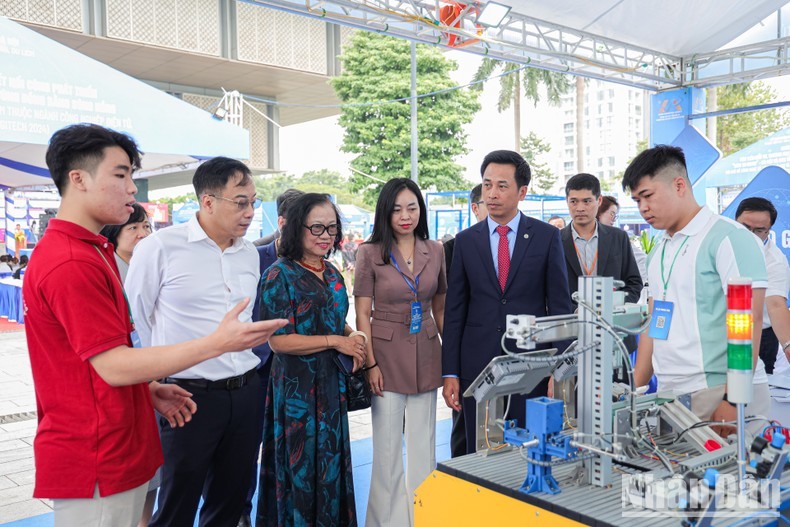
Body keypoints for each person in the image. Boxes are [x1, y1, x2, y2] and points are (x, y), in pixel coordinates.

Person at [23, 123, 285, 527]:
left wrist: (146, 389)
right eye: (121, 174)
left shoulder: (92, 252)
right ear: (78, 179)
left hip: (131, 430)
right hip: (100, 450)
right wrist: (216, 344)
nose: (133, 188)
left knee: (232, 499)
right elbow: (120, 355)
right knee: (175, 506)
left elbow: (105, 350)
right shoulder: (75, 260)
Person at [126, 157, 285, 527]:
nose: (250, 212)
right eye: (240, 202)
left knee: (230, 503)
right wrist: (157, 376)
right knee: (177, 504)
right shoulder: (161, 248)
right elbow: (136, 320)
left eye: (253, 201)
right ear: (208, 201)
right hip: (187, 398)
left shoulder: (248, 253)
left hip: (246, 392)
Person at [623, 145, 769, 435]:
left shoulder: (730, 238)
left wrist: (733, 398)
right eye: (637, 200)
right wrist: (635, 393)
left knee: (728, 479)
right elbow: (656, 323)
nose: (643, 208)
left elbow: (746, 324)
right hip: (670, 393)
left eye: (648, 196)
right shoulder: (660, 250)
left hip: (717, 390)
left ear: (679, 185)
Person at [442, 150, 573, 455]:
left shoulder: (545, 237)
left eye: (502, 186)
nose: (492, 194)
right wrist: (450, 372)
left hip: (532, 364)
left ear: (522, 192)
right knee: (475, 448)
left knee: (528, 447)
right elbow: (455, 311)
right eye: (487, 185)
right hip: (476, 367)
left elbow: (560, 307)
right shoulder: (465, 241)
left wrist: (560, 368)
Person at [257, 193, 366, 527]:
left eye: (331, 228)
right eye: (316, 227)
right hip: (296, 394)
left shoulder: (332, 273)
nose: (325, 235)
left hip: (331, 387)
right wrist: (336, 341)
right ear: (296, 228)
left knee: (330, 466)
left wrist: (353, 335)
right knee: (300, 470)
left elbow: (333, 318)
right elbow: (278, 341)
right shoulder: (279, 275)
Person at [354, 178, 446, 527]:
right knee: (388, 450)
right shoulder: (368, 252)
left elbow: (440, 307)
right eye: (396, 209)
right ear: (385, 213)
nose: (405, 216)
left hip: (426, 351)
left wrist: (448, 358)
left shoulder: (435, 249)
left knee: (425, 446)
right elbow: (362, 313)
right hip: (385, 357)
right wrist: (370, 364)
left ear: (420, 210)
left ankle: (423, 519)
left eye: (412, 207)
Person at [238, 187, 304, 527]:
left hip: (299, 372)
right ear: (282, 222)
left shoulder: (316, 262)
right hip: (258, 367)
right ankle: (241, 513)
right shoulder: (253, 257)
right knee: (246, 448)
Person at [443, 183, 486, 459]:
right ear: (475, 208)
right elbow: (450, 308)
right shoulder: (453, 247)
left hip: (509, 351)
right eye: (487, 199)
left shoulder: (526, 240)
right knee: (464, 426)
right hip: (468, 351)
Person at [561, 174, 642, 304]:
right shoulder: (555, 241)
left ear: (599, 201)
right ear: (567, 201)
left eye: (587, 201)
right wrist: (575, 311)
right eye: (574, 201)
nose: (580, 208)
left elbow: (634, 283)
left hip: (611, 320)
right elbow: (547, 288)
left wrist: (613, 308)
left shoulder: (618, 238)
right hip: (570, 320)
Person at [735, 197, 790, 374]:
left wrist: (788, 344)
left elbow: (775, 305)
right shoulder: (719, 244)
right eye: (745, 227)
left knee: (752, 387)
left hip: (760, 335)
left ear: (768, 231)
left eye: (759, 230)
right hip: (720, 329)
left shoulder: (775, 261)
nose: (750, 235)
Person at [99, 204, 152, 282]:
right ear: (114, 233)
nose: (143, 234)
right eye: (133, 228)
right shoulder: (105, 269)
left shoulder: (155, 265)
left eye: (146, 226)